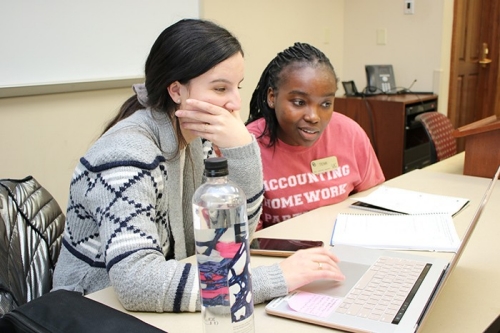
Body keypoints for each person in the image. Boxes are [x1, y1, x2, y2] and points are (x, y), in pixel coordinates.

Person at [52, 19, 345, 313]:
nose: (235, 102)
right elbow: (137, 283)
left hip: (153, 308)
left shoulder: (194, 139)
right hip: (88, 310)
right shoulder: (125, 155)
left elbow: (233, 235)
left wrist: (241, 150)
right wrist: (273, 279)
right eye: (220, 88)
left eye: (237, 87)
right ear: (176, 91)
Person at [246, 42, 385, 229]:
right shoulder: (247, 147)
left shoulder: (350, 133)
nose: (314, 117)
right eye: (299, 102)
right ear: (272, 97)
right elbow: (249, 238)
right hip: (285, 255)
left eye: (326, 104)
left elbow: (372, 204)